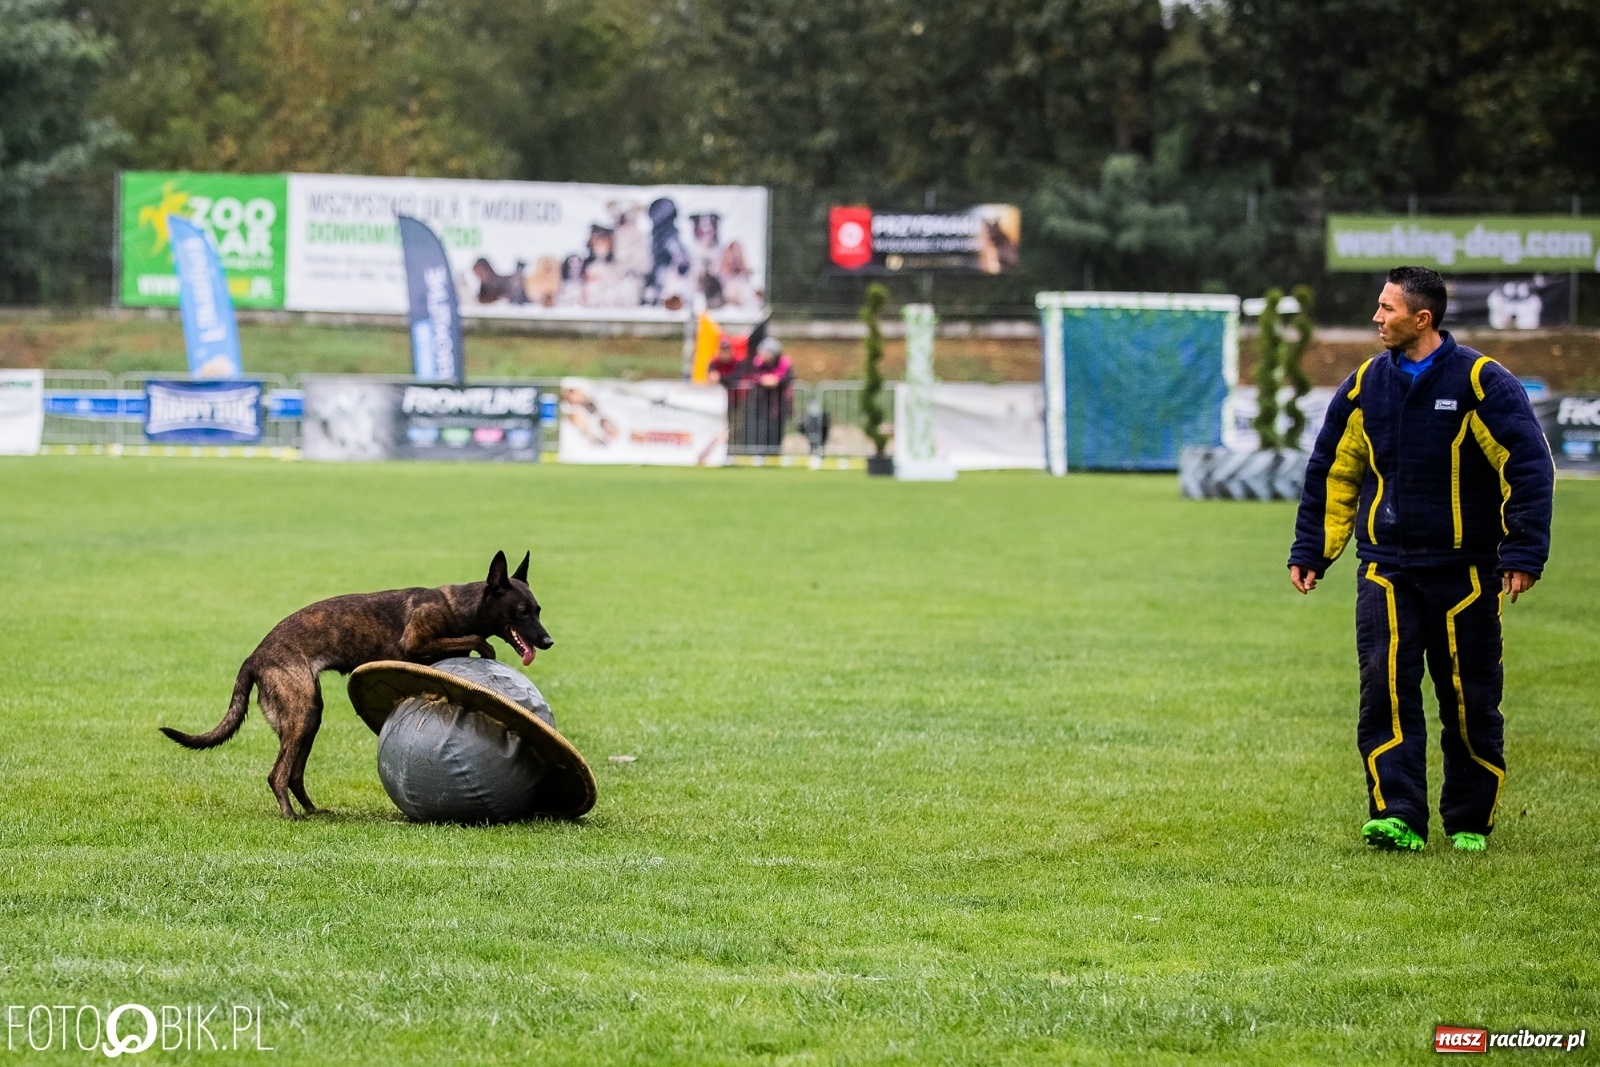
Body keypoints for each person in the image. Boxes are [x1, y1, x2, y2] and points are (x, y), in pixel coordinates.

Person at [1287, 265, 1553, 854]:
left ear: (1421, 318)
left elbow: (1527, 467)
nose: (1376, 317)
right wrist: (1313, 550)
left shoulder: (1483, 383)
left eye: (1387, 308)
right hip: (1386, 570)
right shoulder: (1363, 388)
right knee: (1384, 693)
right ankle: (1397, 813)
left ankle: (1468, 819)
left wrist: (1524, 551)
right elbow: (1333, 473)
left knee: (1470, 698)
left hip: (1467, 572)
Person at [748, 337, 794, 452]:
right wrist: (765, 380)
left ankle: (774, 455)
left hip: (779, 404)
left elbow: (786, 379)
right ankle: (760, 454)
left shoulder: (784, 363)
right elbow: (753, 376)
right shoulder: (757, 362)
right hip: (762, 402)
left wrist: (774, 381)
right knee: (760, 429)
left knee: (776, 430)